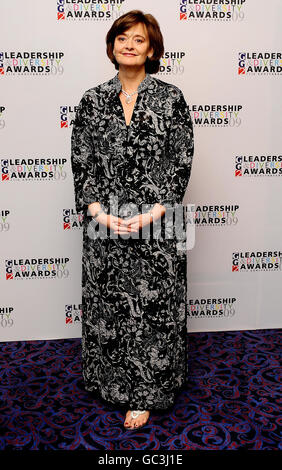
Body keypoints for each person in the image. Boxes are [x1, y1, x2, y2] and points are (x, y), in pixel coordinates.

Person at [70, 10, 194, 430]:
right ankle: (107, 380)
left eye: (138, 39)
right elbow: (81, 164)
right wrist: (98, 213)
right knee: (108, 304)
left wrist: (151, 214)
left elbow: (180, 163)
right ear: (111, 46)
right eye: (122, 37)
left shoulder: (172, 98)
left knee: (154, 308)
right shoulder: (90, 101)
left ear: (152, 49)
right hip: (103, 225)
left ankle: (146, 392)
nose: (129, 44)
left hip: (157, 224)